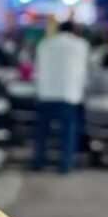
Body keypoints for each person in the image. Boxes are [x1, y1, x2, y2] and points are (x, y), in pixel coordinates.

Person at [33, 21, 90, 173]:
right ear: (74, 30)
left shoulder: (45, 44)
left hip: (46, 93)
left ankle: (38, 161)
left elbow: (38, 67)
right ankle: (65, 164)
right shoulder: (80, 45)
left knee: (42, 132)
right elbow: (83, 70)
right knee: (68, 132)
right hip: (68, 94)